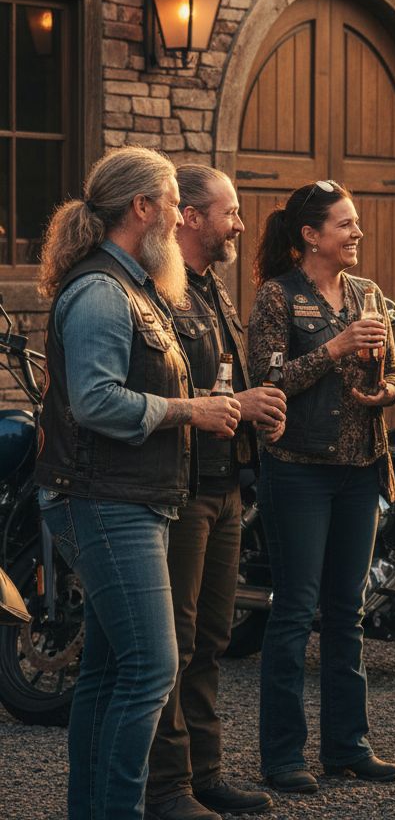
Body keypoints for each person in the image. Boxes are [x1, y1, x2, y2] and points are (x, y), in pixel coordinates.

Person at [33, 147, 242, 820]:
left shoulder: (137, 286)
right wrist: (192, 411)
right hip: (105, 500)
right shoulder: (101, 290)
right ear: (142, 208)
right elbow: (94, 402)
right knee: (152, 668)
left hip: (130, 500)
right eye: (173, 199)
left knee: (106, 670)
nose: (182, 213)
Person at [247, 179, 395, 795]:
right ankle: (283, 757)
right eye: (345, 224)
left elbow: (392, 375)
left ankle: (348, 746)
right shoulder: (276, 298)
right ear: (311, 236)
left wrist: (384, 391)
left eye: (356, 222)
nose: (357, 232)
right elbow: (268, 378)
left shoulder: (368, 293)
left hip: (362, 469)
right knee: (293, 612)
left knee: (348, 612)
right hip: (299, 471)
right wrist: (337, 347)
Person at [145, 166, 287, 820]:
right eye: (229, 213)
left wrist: (260, 411)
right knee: (170, 643)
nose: (240, 225)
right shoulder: (159, 293)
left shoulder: (214, 291)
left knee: (212, 638)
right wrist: (235, 401)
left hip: (227, 481)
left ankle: (206, 775)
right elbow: (158, 391)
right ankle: (167, 788)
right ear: (191, 218)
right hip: (180, 486)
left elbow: (228, 378)